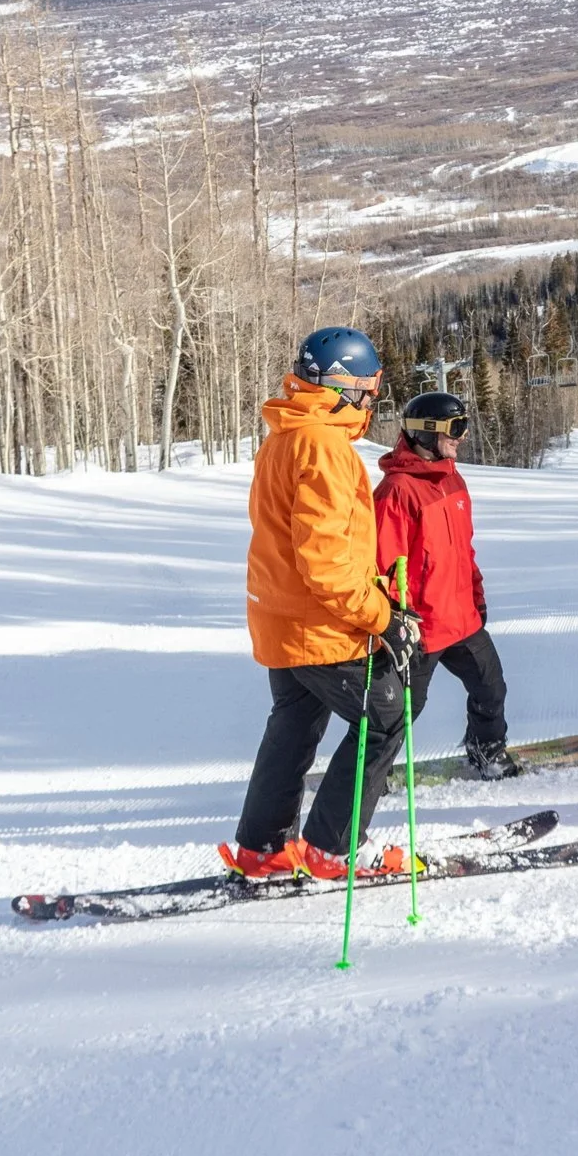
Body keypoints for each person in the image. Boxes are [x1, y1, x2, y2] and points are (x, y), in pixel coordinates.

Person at [221, 326, 426, 881]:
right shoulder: (323, 446)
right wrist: (384, 617)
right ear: (342, 385)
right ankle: (331, 849)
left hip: (283, 618)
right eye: (368, 389)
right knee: (383, 719)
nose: (371, 400)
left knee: (294, 722)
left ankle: (261, 848)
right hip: (322, 625)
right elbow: (328, 563)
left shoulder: (285, 434)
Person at [373, 390, 520, 780]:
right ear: (425, 433)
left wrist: (476, 594)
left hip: (461, 619)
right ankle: (373, 773)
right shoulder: (397, 491)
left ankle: (486, 749)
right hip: (420, 627)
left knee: (491, 689)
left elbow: (463, 551)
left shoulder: (454, 482)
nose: (462, 436)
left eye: (464, 426)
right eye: (456, 428)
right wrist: (396, 619)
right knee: (399, 710)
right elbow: (383, 565)